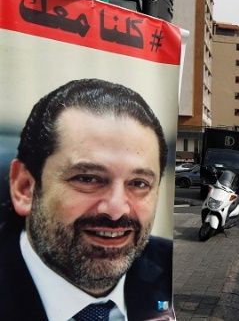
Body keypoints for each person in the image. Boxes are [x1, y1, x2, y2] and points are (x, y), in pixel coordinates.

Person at [0, 79, 174, 320]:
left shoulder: (170, 269)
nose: (116, 210)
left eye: (138, 184)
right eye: (88, 178)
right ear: (24, 188)